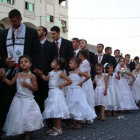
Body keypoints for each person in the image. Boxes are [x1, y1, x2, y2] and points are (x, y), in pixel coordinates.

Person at [0, 9, 43, 131]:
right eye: (10, 21)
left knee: (24, 104)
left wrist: (36, 69)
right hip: (9, 71)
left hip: (25, 72)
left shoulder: (31, 32)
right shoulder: (3, 33)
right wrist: (4, 61)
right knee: (5, 101)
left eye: (14, 21)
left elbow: (38, 51)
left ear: (20, 19)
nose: (12, 23)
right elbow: (1, 52)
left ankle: (26, 129)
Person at [0, 55, 43, 140]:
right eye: (21, 62)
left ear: (30, 64)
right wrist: (4, 78)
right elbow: (10, 83)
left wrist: (27, 85)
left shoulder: (32, 76)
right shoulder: (17, 75)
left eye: (25, 62)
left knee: (28, 116)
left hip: (28, 99)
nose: (23, 64)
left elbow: (35, 88)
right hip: (18, 99)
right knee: (19, 116)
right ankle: (21, 131)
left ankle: (27, 133)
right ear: (19, 65)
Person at [40, 57, 72, 136]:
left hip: (57, 93)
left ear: (58, 66)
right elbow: (46, 79)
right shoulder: (51, 72)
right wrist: (40, 74)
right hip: (51, 92)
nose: (51, 62)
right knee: (53, 111)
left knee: (57, 111)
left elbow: (70, 81)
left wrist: (63, 84)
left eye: (53, 62)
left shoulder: (60, 73)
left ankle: (59, 128)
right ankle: (55, 127)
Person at [66, 58, 96, 128]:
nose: (69, 64)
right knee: (71, 104)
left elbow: (88, 76)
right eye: (69, 63)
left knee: (78, 104)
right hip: (70, 90)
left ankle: (79, 121)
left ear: (76, 65)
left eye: (71, 63)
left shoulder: (79, 72)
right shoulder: (69, 73)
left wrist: (81, 82)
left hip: (77, 90)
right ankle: (73, 120)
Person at [37, 26, 58, 112]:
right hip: (35, 74)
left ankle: (48, 118)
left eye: (39, 30)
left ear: (44, 32)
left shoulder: (52, 45)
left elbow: (54, 60)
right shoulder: (34, 44)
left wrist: (45, 72)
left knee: (46, 96)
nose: (37, 31)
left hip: (47, 75)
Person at [78, 50, 96, 123]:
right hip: (82, 80)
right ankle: (83, 116)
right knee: (83, 98)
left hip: (85, 81)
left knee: (86, 98)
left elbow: (85, 73)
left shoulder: (86, 62)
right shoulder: (81, 62)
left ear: (81, 54)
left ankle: (88, 116)